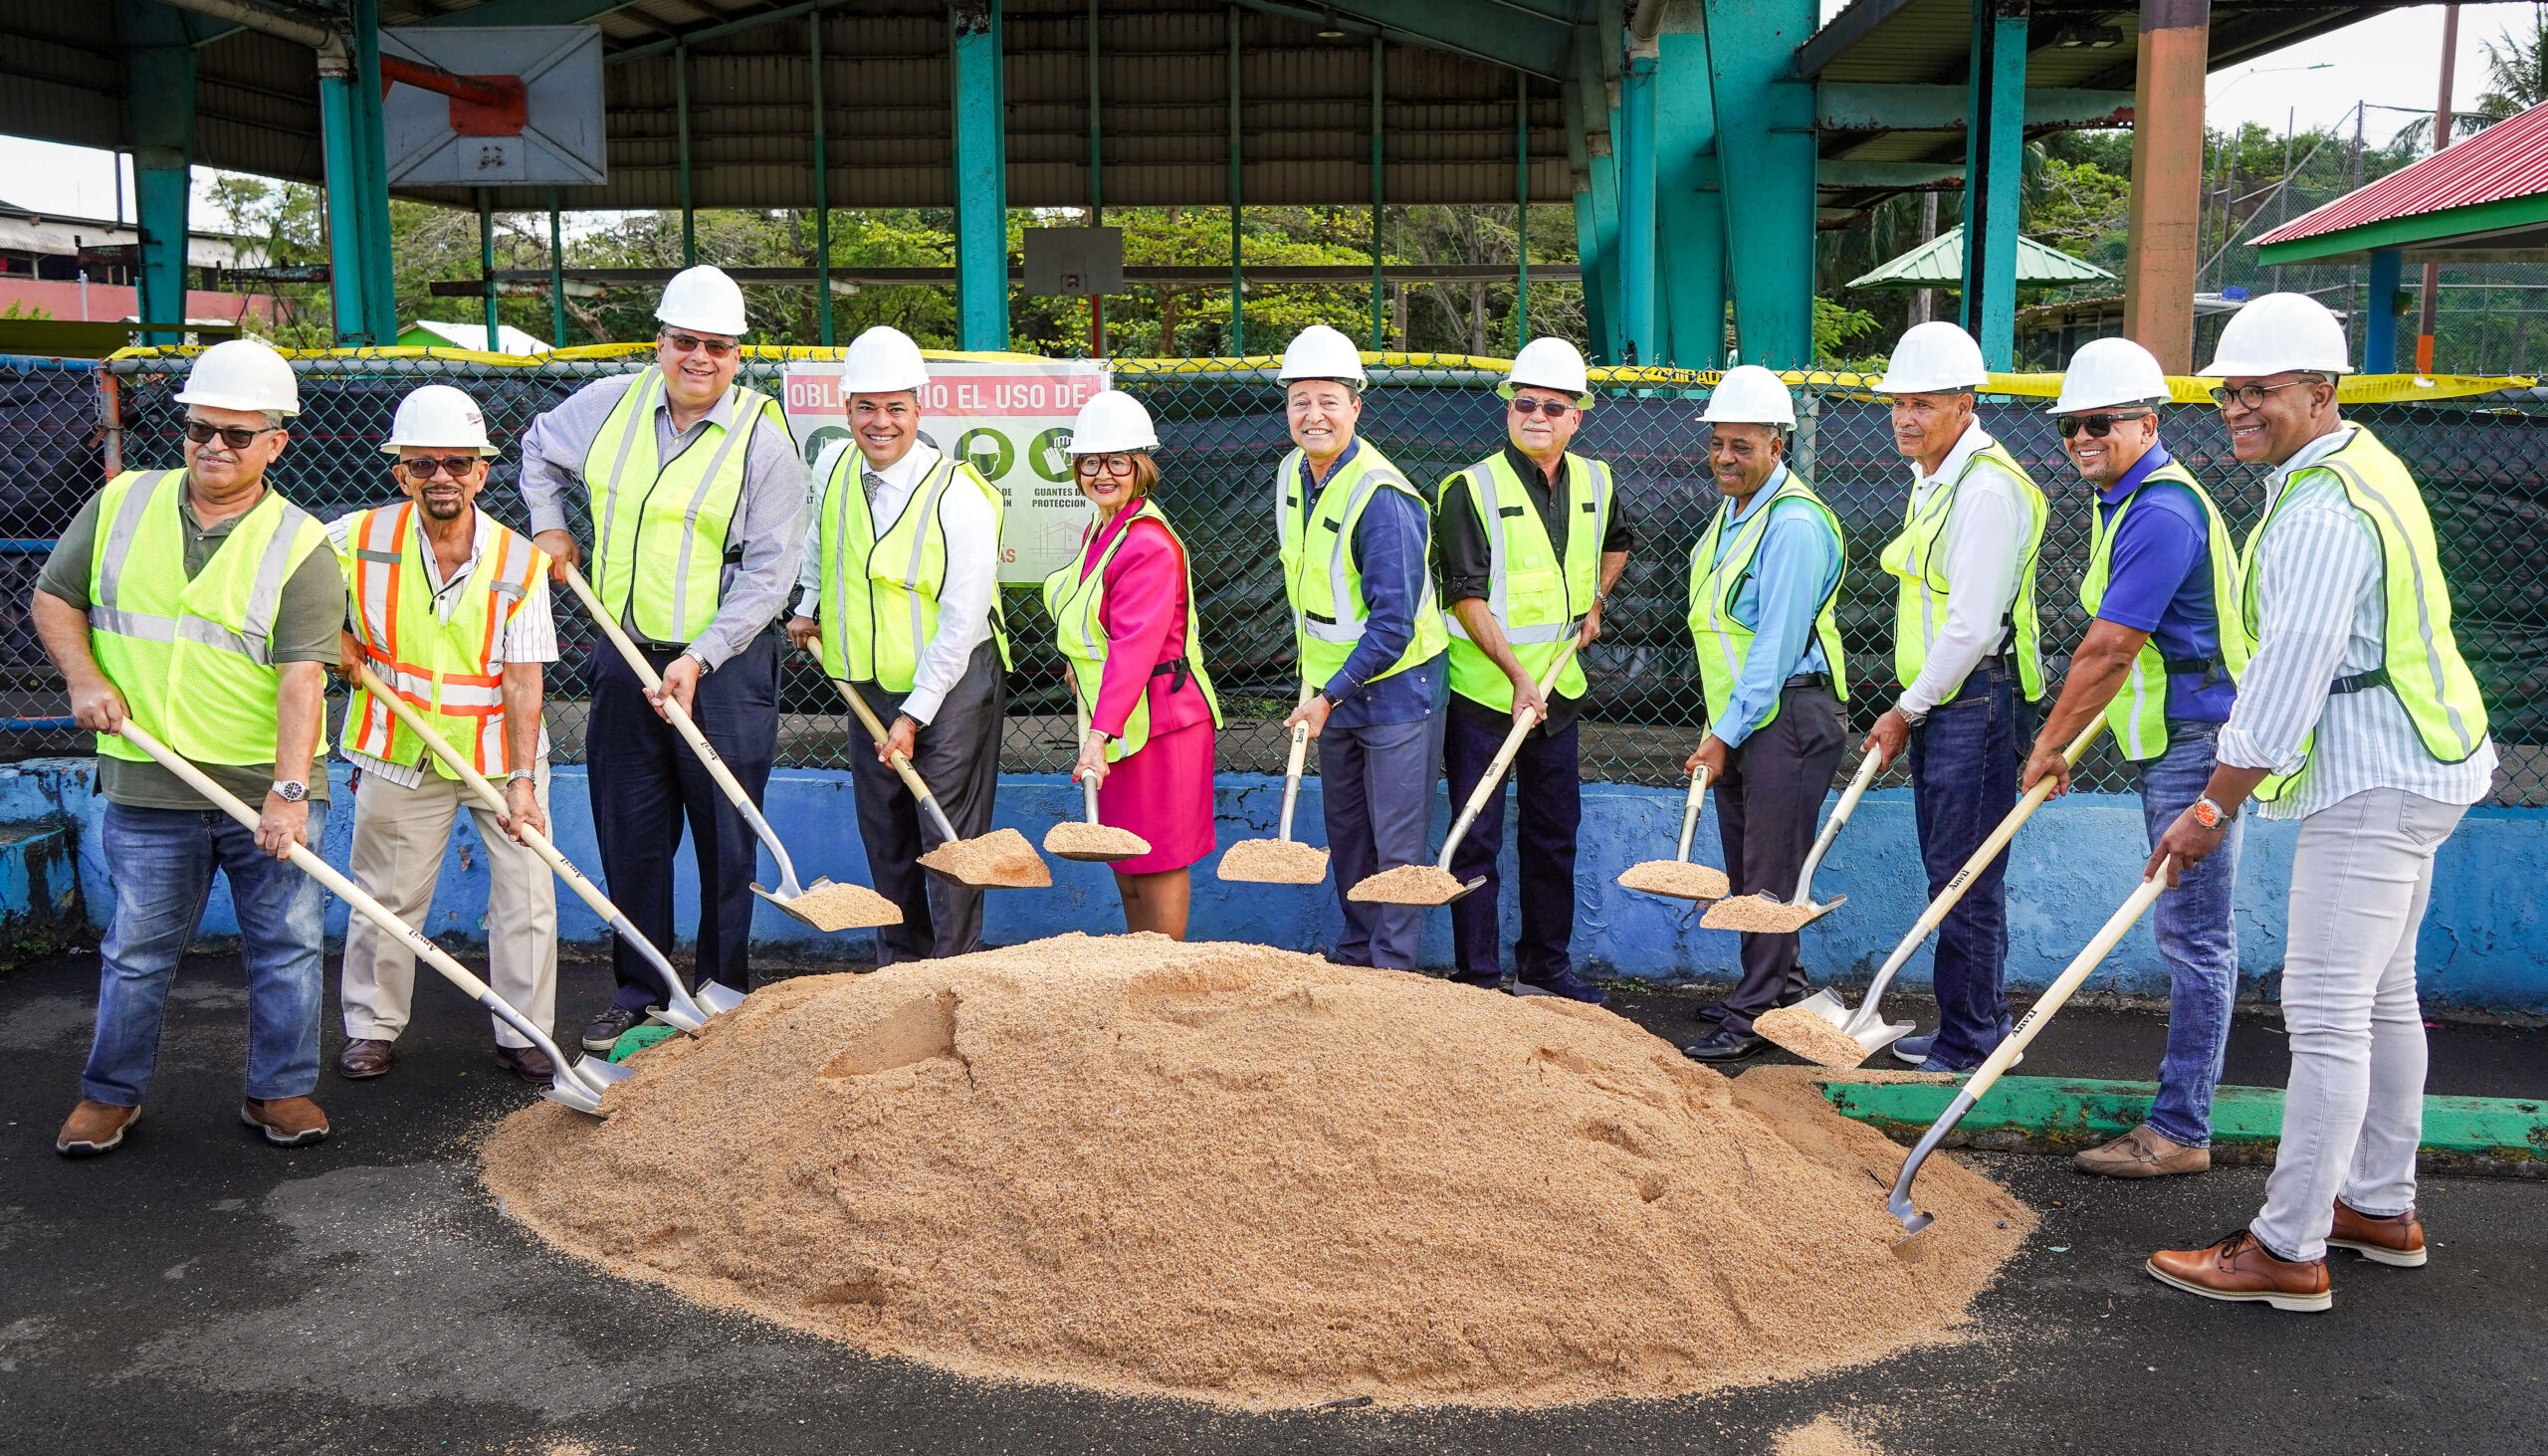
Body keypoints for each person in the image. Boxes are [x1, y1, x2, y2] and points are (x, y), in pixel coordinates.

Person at [2146, 293, 2495, 1311]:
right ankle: (2377, 1206)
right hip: (2423, 760)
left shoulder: (2320, 509)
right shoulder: (2357, 464)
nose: (2239, 408)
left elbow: (2288, 683)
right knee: (2383, 996)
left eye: (2261, 390)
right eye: (2229, 392)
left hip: (2374, 779)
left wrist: (2210, 806)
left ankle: (2285, 1244)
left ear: (2320, 389)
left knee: (2326, 1010)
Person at [36, 339, 343, 1154]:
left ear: (276, 441)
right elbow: (54, 599)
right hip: (148, 779)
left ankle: (280, 1092)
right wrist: (82, 678)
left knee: (287, 949)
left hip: (257, 785)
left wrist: (287, 791)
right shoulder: (120, 503)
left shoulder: (302, 543)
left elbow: (301, 680)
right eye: (200, 427)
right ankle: (109, 1095)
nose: (214, 444)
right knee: (136, 951)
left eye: (238, 434)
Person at [519, 266, 808, 1052]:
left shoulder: (763, 439)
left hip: (726, 667)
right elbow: (537, 449)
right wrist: (549, 525)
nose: (700, 358)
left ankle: (722, 995)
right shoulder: (608, 404)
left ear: (737, 355)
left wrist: (704, 658)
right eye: (686, 342)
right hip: (623, 654)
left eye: (717, 346)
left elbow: (770, 573)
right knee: (632, 834)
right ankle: (643, 989)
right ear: (662, 342)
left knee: (726, 833)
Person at [2019, 338, 2248, 1176]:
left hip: (2198, 743)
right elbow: (2126, 656)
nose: (2081, 436)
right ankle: (2179, 1117)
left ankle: (2181, 1128)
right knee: (2190, 932)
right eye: (2070, 425)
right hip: (2169, 738)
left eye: (2099, 422)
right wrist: (2074, 741)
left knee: (2194, 937)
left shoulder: (2157, 510)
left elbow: (2113, 647)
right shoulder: (2122, 498)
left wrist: (2049, 742)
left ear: (2147, 422)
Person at [329, 385, 560, 1085]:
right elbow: (280, 583)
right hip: (398, 747)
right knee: (387, 895)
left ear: (482, 472)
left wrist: (521, 782)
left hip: (500, 753)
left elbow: (524, 680)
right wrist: (328, 634)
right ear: (400, 471)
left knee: (526, 894)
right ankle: (371, 1027)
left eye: (457, 463)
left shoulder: (521, 563)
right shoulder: (356, 538)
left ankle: (525, 1033)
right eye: (424, 463)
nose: (442, 477)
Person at [787, 325, 1009, 960]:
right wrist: (807, 607)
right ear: (846, 408)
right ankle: (900, 970)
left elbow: (963, 620)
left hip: (951, 686)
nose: (880, 423)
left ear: (919, 408)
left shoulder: (958, 494)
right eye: (866, 407)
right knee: (885, 833)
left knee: (946, 839)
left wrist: (915, 713)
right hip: (865, 685)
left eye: (895, 408)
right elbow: (818, 542)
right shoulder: (832, 467)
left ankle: (952, 971)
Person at [1861, 321, 2048, 1074]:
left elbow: (1971, 624)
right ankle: (1971, 1029)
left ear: (1965, 404)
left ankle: (1974, 1039)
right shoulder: (1935, 478)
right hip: (1947, 703)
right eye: (1899, 403)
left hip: (1974, 699)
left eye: (1924, 404)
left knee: (1965, 875)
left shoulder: (1988, 489)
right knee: (1953, 872)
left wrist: (1908, 707)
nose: (1906, 417)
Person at [1432, 337, 1627, 1003]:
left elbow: (1619, 543)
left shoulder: (1597, 480)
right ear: (1507, 409)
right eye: (1524, 403)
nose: (1537, 415)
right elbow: (1464, 594)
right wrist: (1517, 677)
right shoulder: (1468, 488)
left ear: (1578, 415)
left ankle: (1545, 968)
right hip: (1485, 697)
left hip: (1559, 694)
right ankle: (1479, 978)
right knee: (1475, 837)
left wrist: (1597, 600)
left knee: (1553, 836)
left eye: (1553, 405)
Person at [1676, 366, 1848, 1060]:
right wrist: (1722, 726)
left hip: (1791, 713)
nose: (1724, 456)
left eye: (1741, 445)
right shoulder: (1738, 510)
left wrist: (1723, 733)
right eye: (1718, 442)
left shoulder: (1796, 524)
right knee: (1754, 864)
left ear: (1778, 445)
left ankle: (1750, 1018)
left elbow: (1774, 648)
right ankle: (1779, 987)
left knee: (1769, 870)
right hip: (1750, 715)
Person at [1273, 324, 1449, 971]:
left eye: (1328, 400)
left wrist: (1328, 696)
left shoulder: (1382, 497)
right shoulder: (1293, 475)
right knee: (1348, 833)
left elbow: (1393, 624)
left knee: (1397, 841)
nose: (1313, 414)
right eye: (1300, 401)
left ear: (1356, 407)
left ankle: (1392, 975)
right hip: (1332, 691)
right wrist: (1317, 689)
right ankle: (1355, 957)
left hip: (1399, 687)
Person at [1042, 390, 1222, 937]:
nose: (1102, 474)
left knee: (1158, 857)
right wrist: (1079, 661)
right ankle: (1135, 970)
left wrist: (1097, 736)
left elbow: (1136, 646)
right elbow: (1098, 622)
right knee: (1125, 859)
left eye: (1116, 462)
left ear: (1140, 468)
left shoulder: (1145, 542)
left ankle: (1159, 981)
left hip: (1160, 722)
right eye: (1091, 462)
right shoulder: (1104, 528)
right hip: (1121, 717)